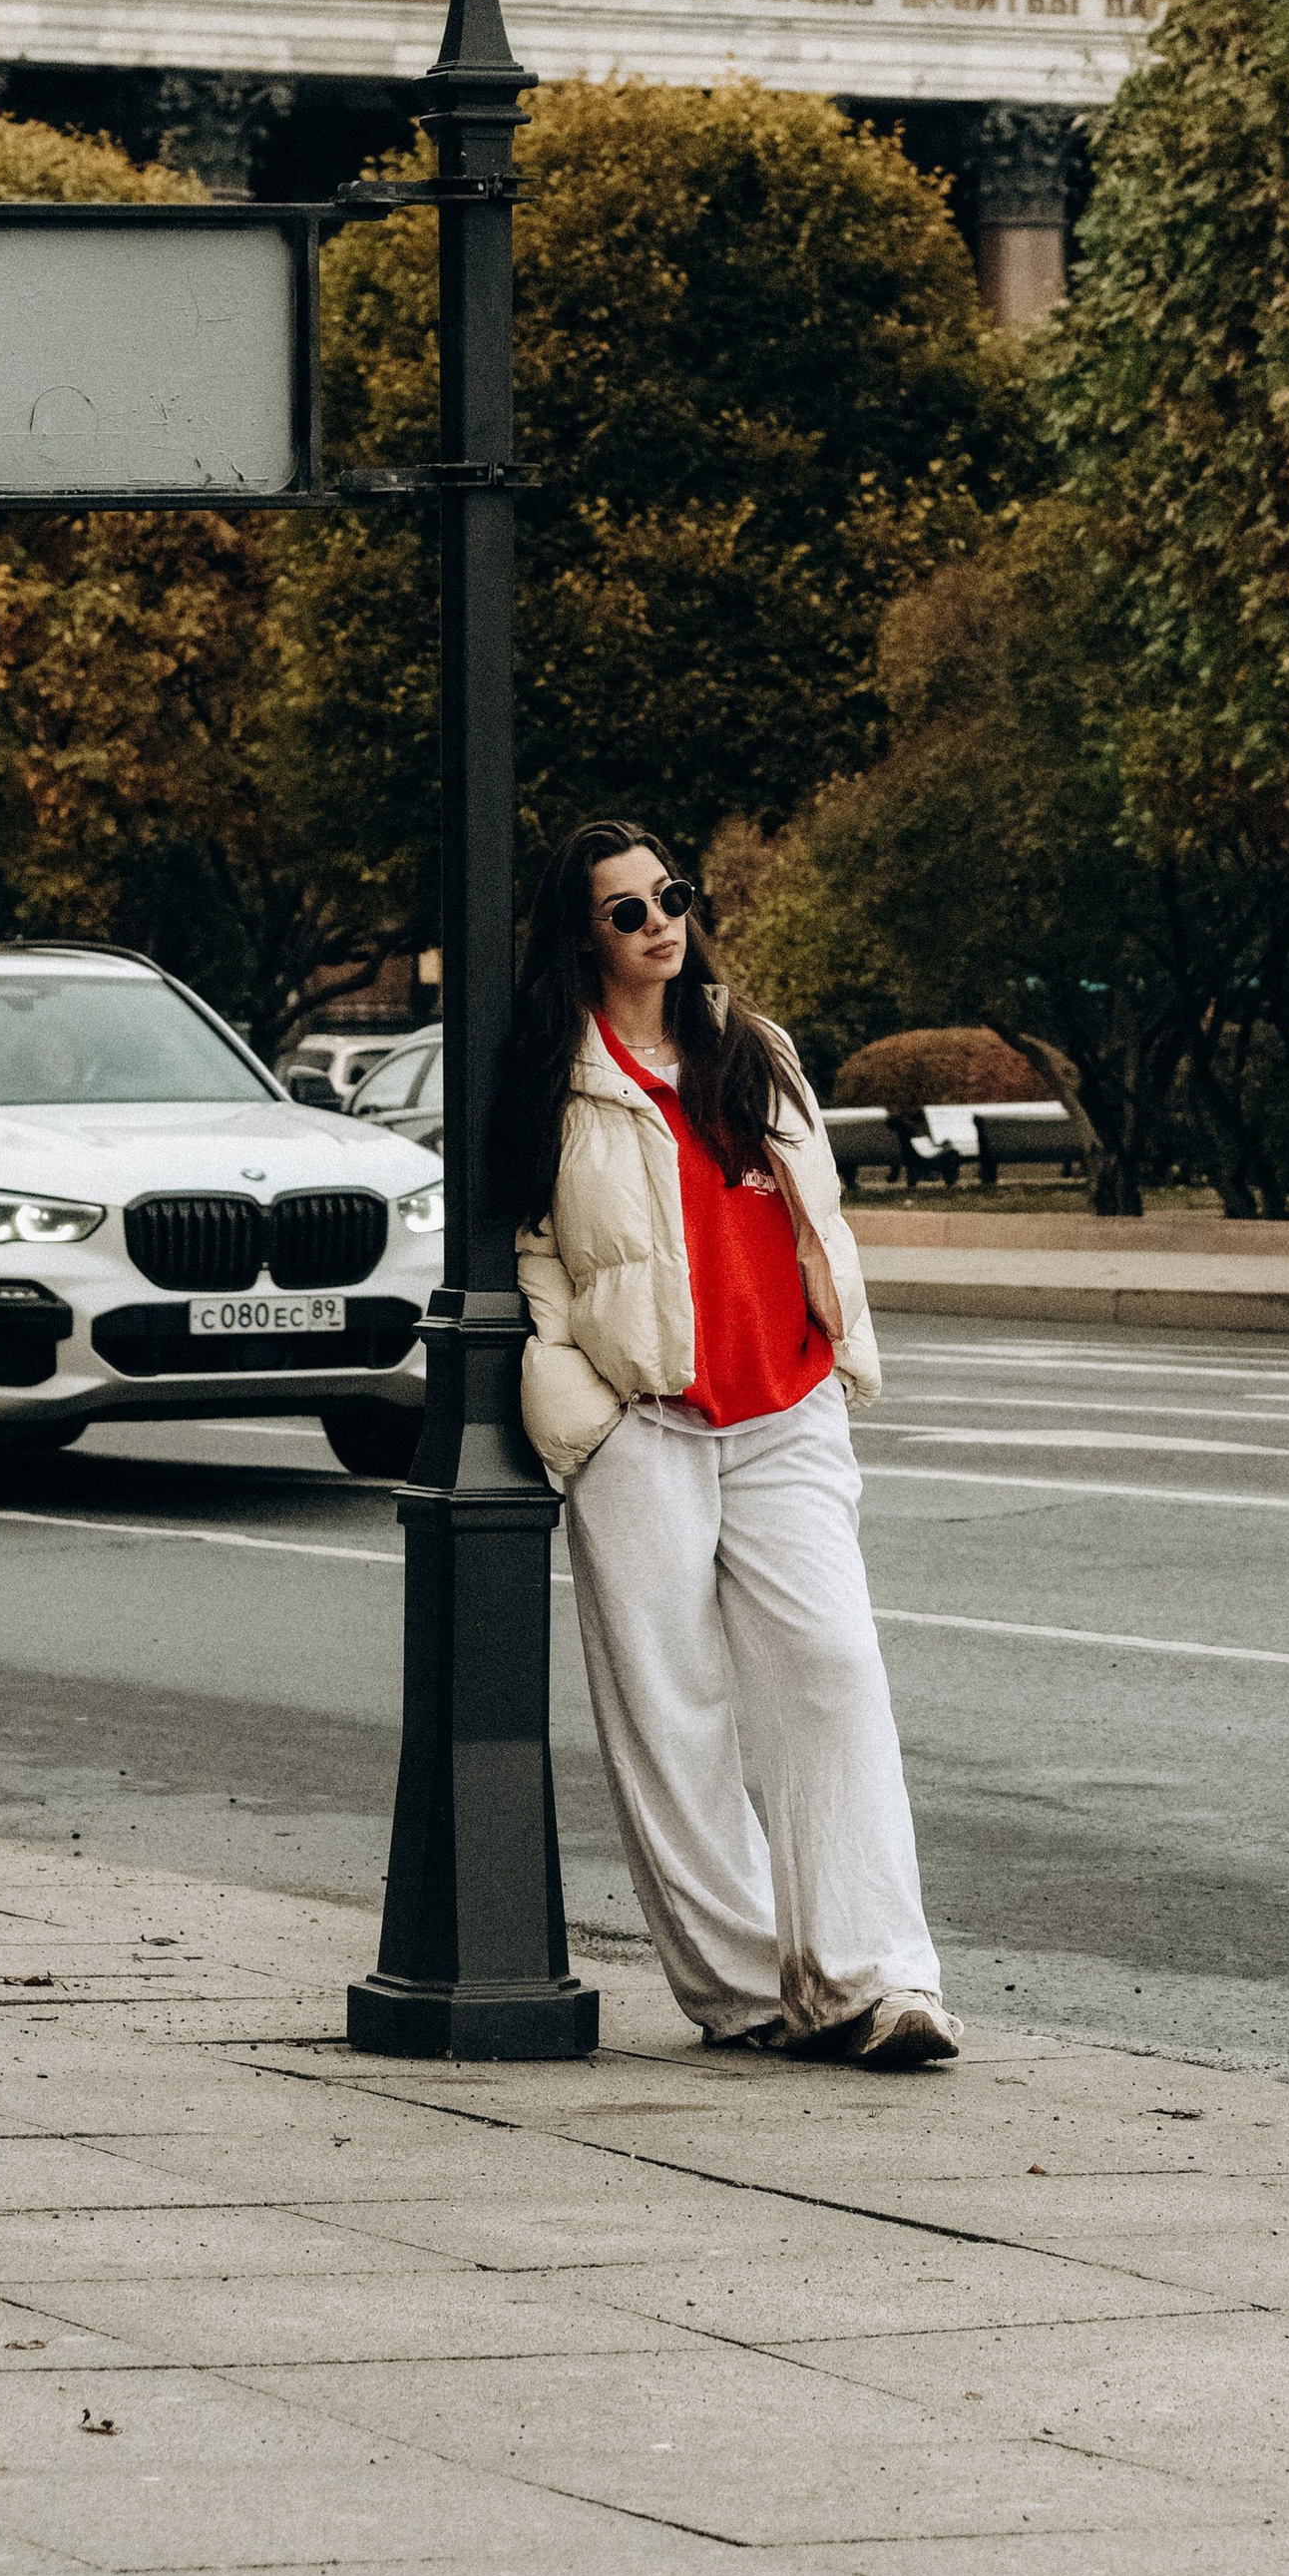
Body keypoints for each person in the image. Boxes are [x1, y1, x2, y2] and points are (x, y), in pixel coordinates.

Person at [509, 816, 960, 2069]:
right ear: (580, 934)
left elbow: (811, 1210)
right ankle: (748, 1990)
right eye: (627, 910)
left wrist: (835, 1342)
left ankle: (878, 1980)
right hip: (642, 1411)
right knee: (675, 1708)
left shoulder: (750, 1049)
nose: (661, 922)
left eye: (672, 895)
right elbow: (527, 1245)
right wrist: (576, 1396)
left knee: (830, 1669)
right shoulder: (557, 1070)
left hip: (786, 1404)